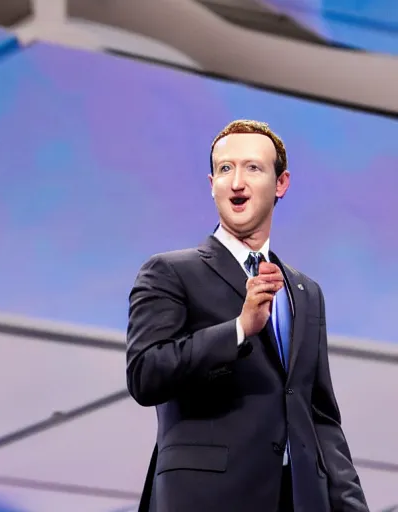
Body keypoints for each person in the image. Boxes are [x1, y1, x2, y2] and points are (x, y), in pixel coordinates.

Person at [126, 120, 368, 512]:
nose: (236, 182)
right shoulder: (170, 272)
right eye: (225, 169)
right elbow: (145, 374)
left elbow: (320, 419)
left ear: (281, 183)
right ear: (211, 184)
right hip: (205, 500)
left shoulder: (305, 293)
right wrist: (239, 329)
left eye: (252, 168)